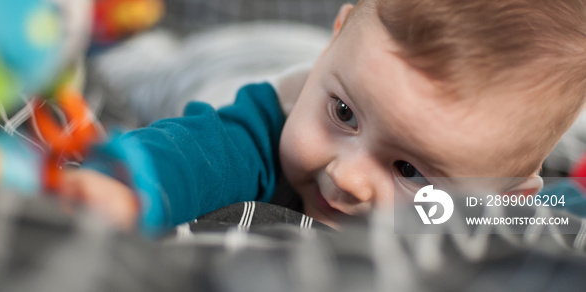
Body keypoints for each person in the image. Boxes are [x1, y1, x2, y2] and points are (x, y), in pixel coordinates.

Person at [61, 0, 586, 230]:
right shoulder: (258, 131)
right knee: (134, 62)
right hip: (223, 61)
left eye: (409, 170)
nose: (346, 177)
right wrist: (127, 186)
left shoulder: (495, 203)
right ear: (338, 40)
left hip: (348, 67)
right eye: (342, 115)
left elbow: (547, 213)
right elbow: (195, 154)